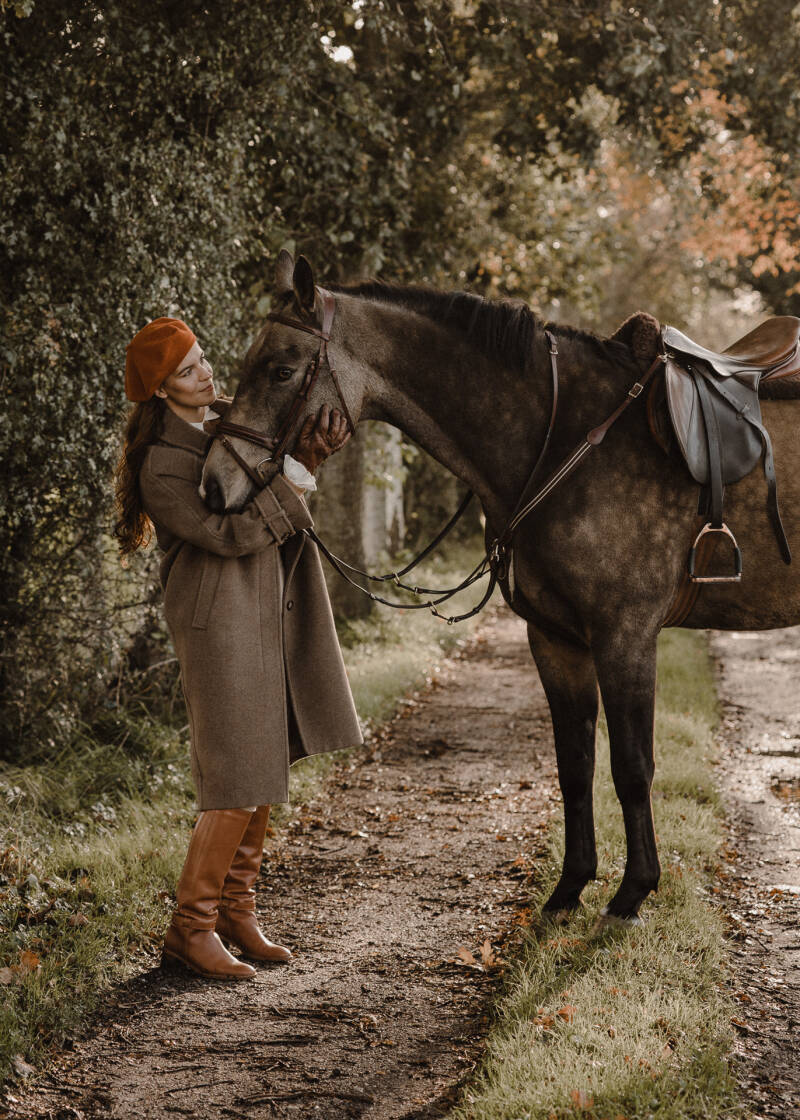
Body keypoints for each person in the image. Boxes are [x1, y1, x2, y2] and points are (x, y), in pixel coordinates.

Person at [114, 316, 362, 981]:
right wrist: (300, 473)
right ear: (162, 391)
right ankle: (189, 929)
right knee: (233, 778)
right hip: (218, 621)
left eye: (203, 359)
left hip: (270, 606)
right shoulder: (161, 464)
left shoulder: (232, 420)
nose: (208, 374)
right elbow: (230, 536)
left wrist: (314, 451)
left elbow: (285, 463)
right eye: (190, 370)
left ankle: (236, 910)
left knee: (266, 761)